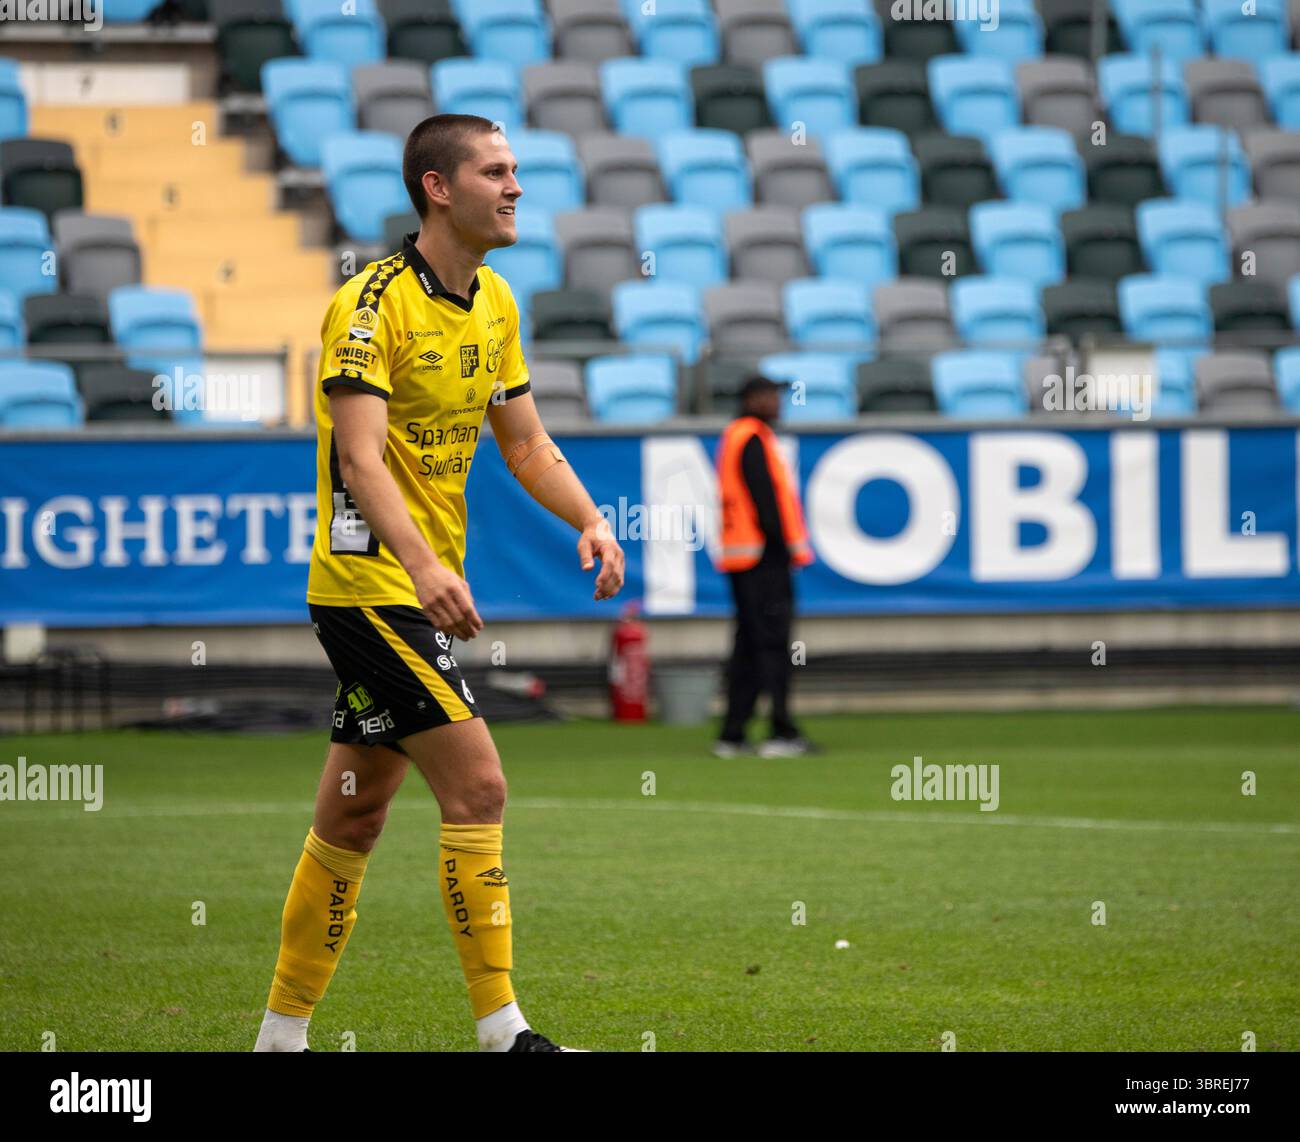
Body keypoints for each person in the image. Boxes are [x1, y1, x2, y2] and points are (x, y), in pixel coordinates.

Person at [253, 114, 625, 1054]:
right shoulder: (370, 305)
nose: (515, 187)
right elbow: (361, 456)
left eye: (517, 171)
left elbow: (527, 442)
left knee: (356, 811)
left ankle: (279, 1040)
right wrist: (423, 566)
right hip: (368, 589)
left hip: (405, 589)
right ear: (438, 187)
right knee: (481, 788)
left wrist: (587, 516)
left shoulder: (494, 300)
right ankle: (505, 1034)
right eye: (495, 171)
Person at [712, 374, 817, 759]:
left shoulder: (739, 435)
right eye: (770, 395)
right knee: (773, 645)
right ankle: (780, 729)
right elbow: (766, 501)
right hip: (762, 557)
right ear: (752, 398)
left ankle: (733, 733)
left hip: (745, 558)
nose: (777, 402)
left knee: (750, 646)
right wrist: (783, 547)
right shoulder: (752, 437)